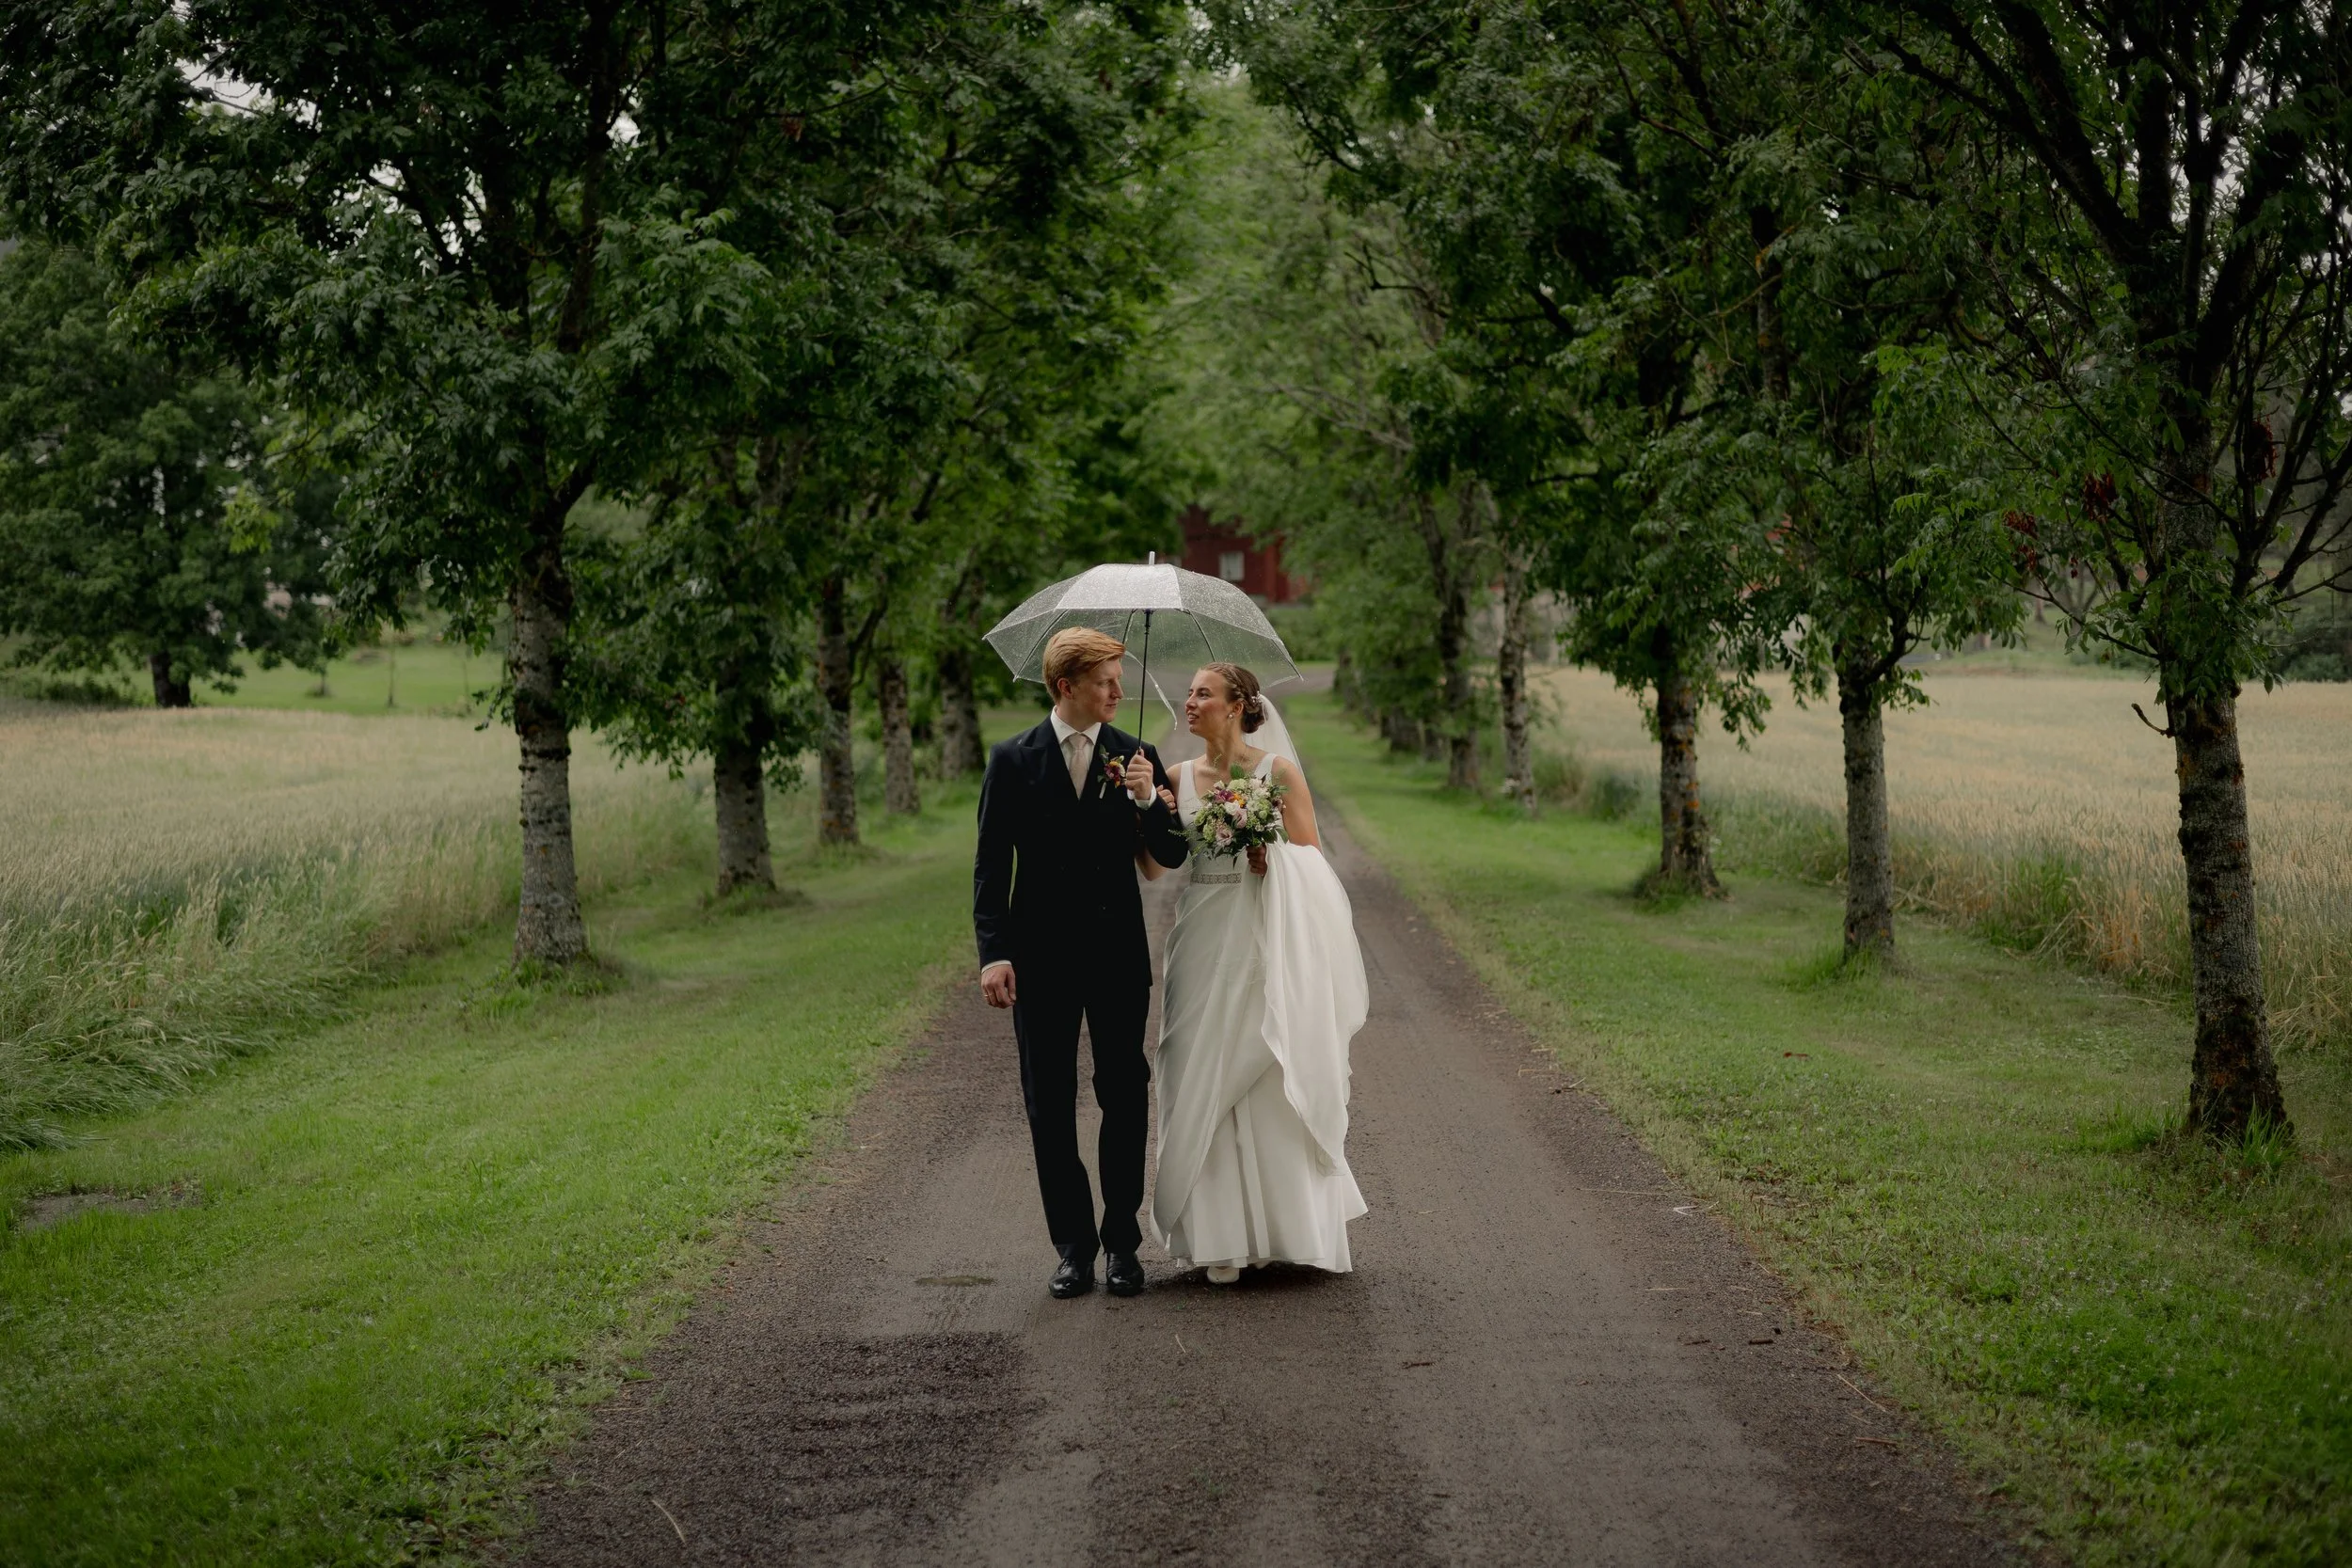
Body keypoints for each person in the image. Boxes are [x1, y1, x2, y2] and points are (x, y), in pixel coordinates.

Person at [974, 627, 1190, 1299]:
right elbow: (989, 867)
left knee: (1124, 1094)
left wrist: (1150, 800)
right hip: (1039, 960)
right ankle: (1072, 1246)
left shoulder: (1136, 755)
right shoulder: (1012, 759)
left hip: (1117, 956)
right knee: (1049, 1102)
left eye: (1120, 678)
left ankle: (1122, 1242)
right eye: (1105, 680)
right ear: (1066, 685)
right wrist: (995, 953)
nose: (1119, 691)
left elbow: (1172, 856)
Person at [1150, 663, 1368, 1283]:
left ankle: (1283, 1231)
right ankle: (1219, 1240)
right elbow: (1154, 866)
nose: (1188, 701)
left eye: (1201, 693)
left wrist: (1267, 854)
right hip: (1201, 935)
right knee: (1191, 1059)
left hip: (1265, 934)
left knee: (1267, 1065)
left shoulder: (1278, 773)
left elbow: (1314, 862)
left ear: (1238, 704)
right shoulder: (1175, 778)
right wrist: (1143, 805)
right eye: (1188, 692)